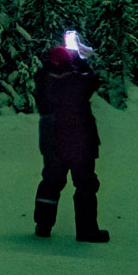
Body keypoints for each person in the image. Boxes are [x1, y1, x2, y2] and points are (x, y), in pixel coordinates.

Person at [32, 41, 109, 242]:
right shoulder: (76, 80)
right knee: (85, 185)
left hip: (52, 143)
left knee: (51, 182)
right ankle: (87, 230)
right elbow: (92, 82)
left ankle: (43, 225)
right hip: (79, 144)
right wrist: (81, 60)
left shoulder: (44, 80)